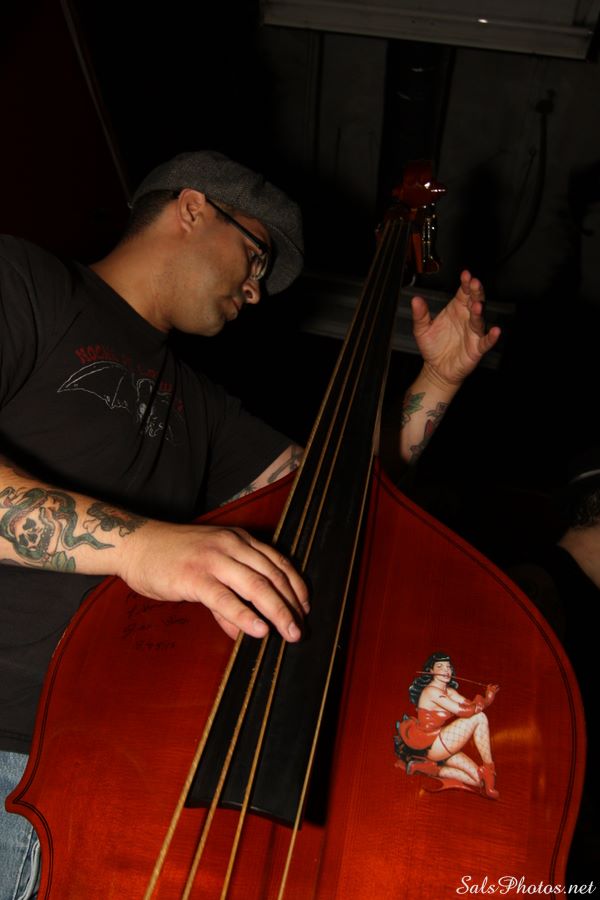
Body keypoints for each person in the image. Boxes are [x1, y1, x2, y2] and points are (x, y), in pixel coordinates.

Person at [0, 150, 500, 897]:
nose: (257, 291)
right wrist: (145, 548)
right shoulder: (28, 281)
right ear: (192, 209)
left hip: (96, 776)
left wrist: (437, 380)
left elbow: (343, 501)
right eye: (257, 255)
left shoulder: (199, 407)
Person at [394, 652, 500, 798]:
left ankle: (428, 769)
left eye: (448, 667)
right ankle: (489, 769)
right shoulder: (431, 691)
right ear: (430, 671)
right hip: (431, 744)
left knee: (478, 781)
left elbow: (470, 705)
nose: (446, 670)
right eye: (440, 666)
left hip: (442, 742)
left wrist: (487, 699)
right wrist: (485, 701)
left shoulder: (449, 691)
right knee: (480, 718)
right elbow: (465, 711)